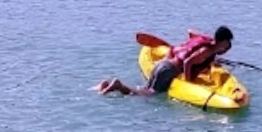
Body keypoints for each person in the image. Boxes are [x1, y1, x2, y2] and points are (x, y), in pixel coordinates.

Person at [98, 26, 234, 96]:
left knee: (145, 89)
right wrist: (188, 84)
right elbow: (187, 63)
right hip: (169, 70)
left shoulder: (204, 41)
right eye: (227, 42)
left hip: (163, 65)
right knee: (148, 95)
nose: (228, 45)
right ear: (223, 41)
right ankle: (119, 85)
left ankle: (107, 85)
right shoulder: (207, 50)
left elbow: (191, 32)